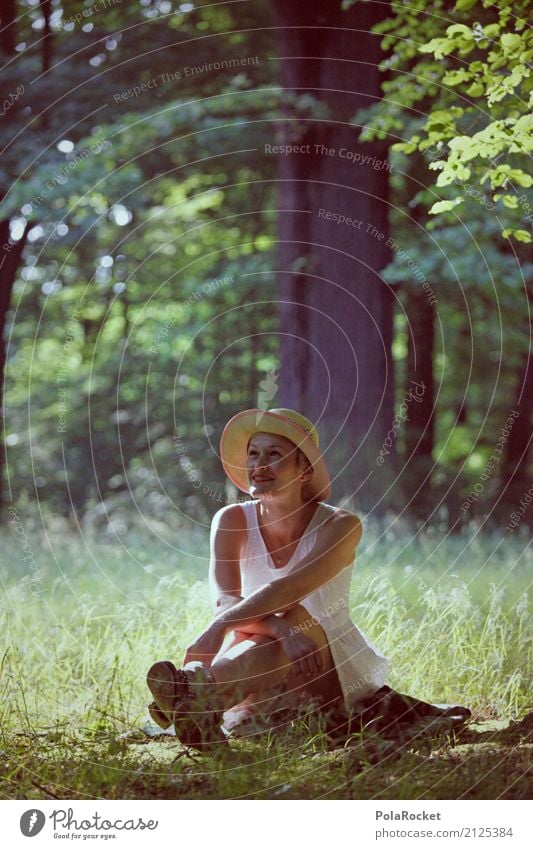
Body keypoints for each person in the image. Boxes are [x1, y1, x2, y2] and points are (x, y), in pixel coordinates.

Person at [146, 408, 468, 749]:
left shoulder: (341, 526)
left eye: (275, 455)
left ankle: (192, 687)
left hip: (325, 663)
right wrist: (278, 630)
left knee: (296, 616)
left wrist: (221, 627)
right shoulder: (230, 519)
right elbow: (225, 600)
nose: (259, 465)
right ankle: (199, 701)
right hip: (254, 660)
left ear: (304, 470)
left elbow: (290, 589)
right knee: (275, 626)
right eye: (253, 454)